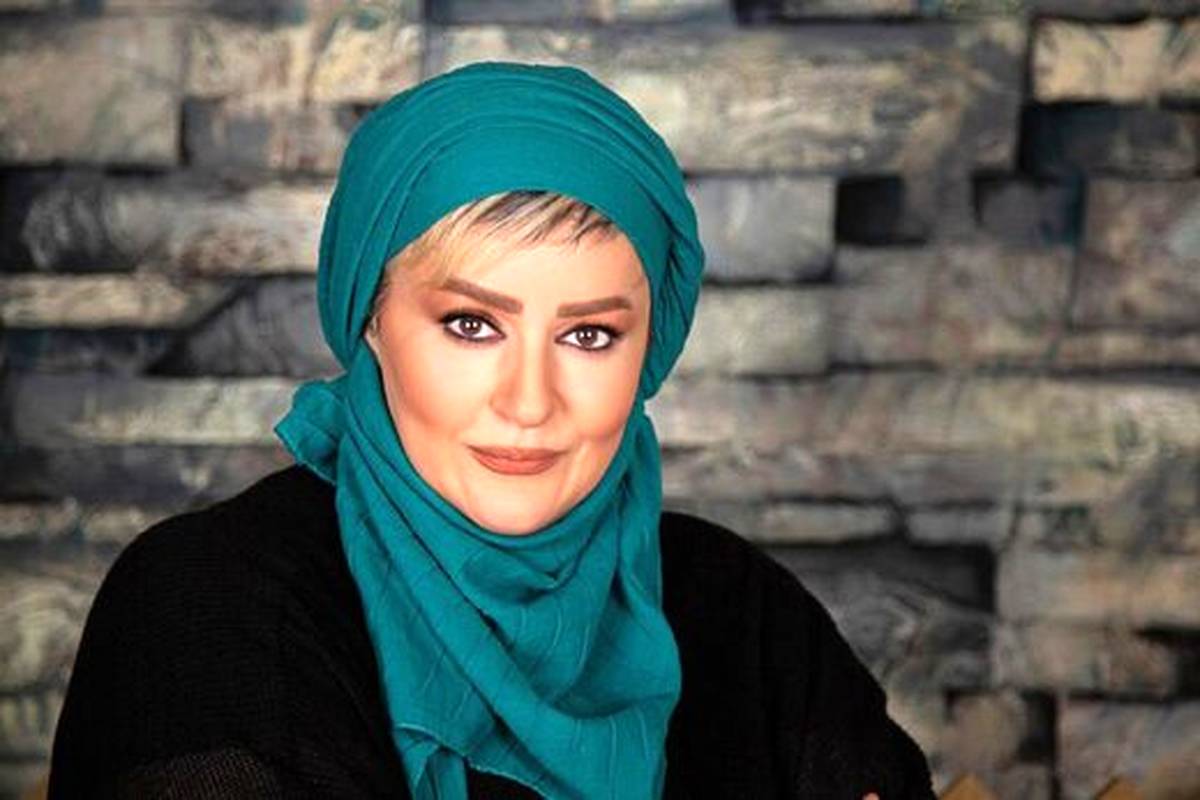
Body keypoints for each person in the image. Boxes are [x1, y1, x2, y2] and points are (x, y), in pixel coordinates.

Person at [47, 62, 936, 799]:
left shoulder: (745, 615)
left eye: (589, 335)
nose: (530, 402)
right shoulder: (206, 608)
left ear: (650, 350)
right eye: (471, 324)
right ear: (369, 320)